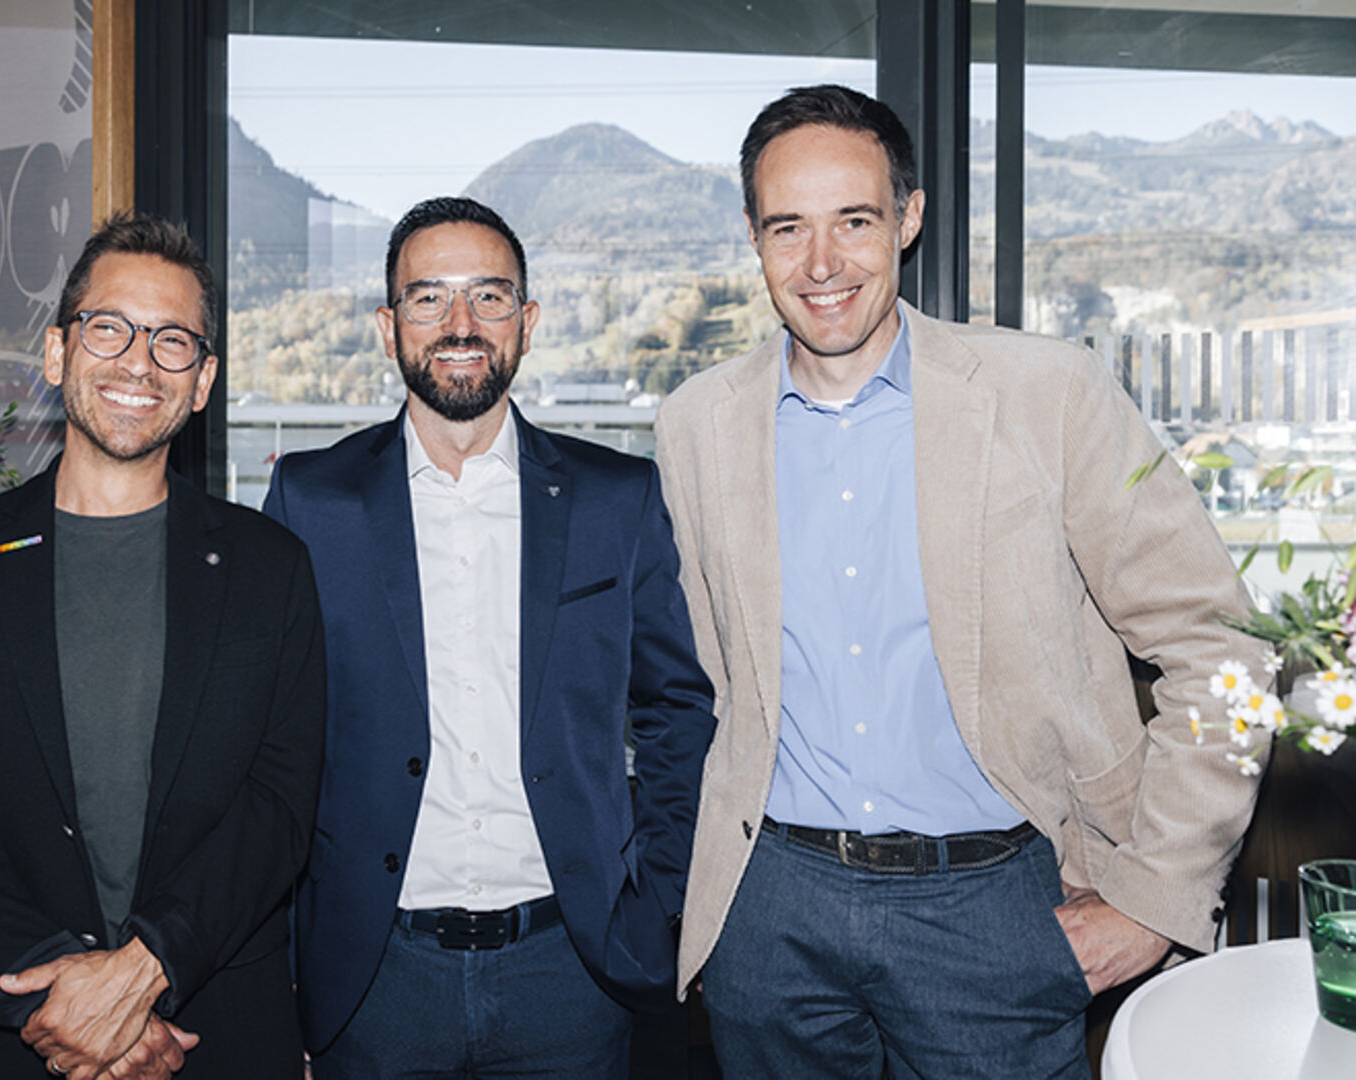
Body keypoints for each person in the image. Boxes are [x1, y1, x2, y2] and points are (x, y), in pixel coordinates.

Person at [654, 85, 1265, 1078]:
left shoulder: (1048, 393)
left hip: (998, 902)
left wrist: (1157, 894)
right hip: (770, 912)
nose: (819, 264)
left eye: (852, 221)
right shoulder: (693, 423)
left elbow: (1217, 649)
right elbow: (705, 677)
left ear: (907, 218)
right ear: (751, 238)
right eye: (786, 228)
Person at [262, 196, 716, 1079]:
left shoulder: (615, 499)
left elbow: (676, 713)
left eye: (490, 297)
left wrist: (656, 903)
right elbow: (273, 744)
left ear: (528, 321)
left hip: (574, 970)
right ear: (388, 326)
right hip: (372, 973)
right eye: (428, 299)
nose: (460, 324)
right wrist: (284, 969)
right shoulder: (311, 502)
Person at [0, 211, 326, 1080]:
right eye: (109, 327)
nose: (137, 361)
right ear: (58, 353)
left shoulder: (271, 567)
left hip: (214, 1033)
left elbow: (279, 805)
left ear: (202, 383)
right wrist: (69, 1003)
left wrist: (142, 972)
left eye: (172, 342)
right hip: (12, 1036)